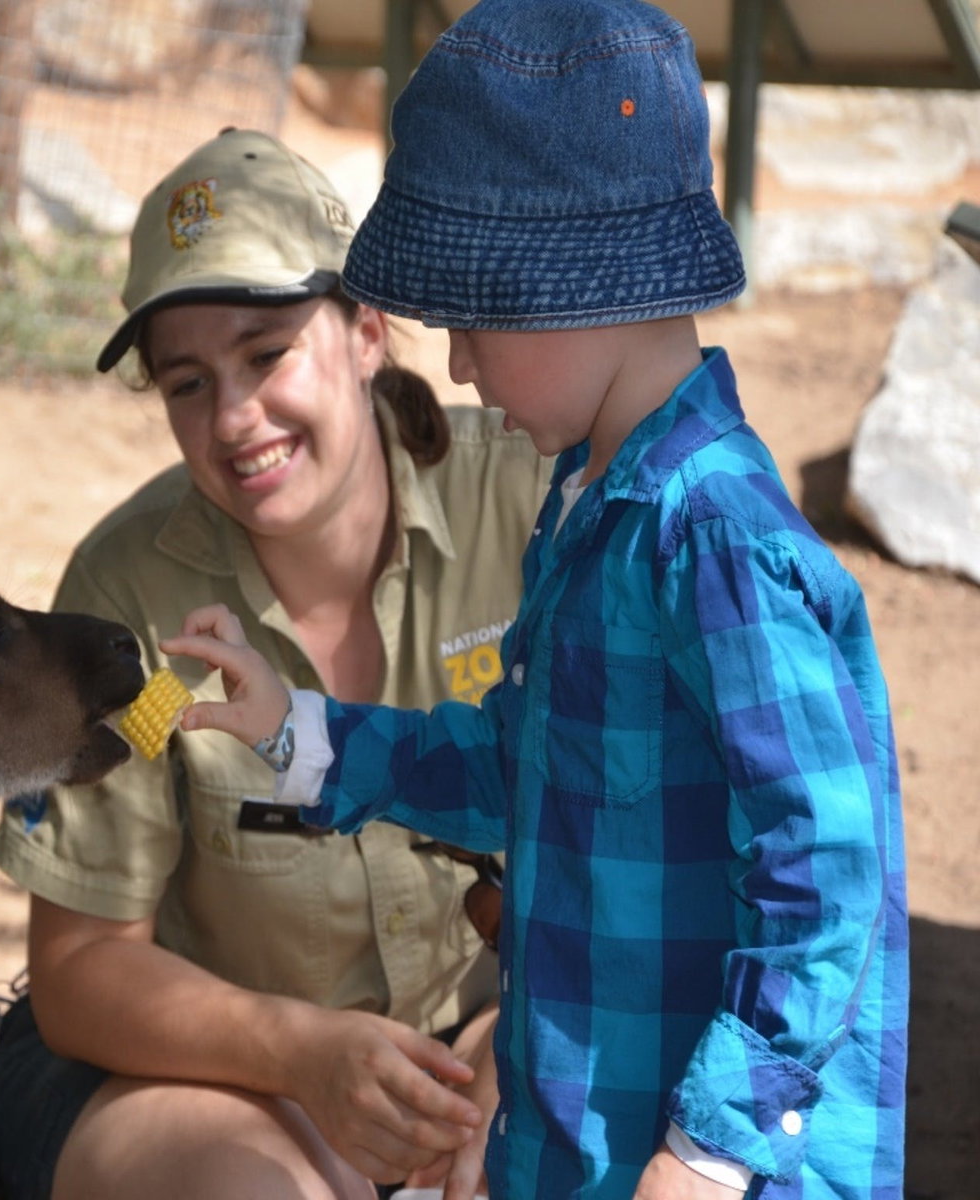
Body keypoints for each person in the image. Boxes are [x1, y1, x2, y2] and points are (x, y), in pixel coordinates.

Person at [161, 4, 909, 1199]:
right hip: (577, 1145)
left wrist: (717, 1144)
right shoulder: (582, 505)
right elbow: (517, 762)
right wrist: (293, 731)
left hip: (703, 1158)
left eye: (471, 316)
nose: (453, 364)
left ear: (574, 285)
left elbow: (823, 873)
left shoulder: (710, 541)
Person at [0, 127, 551, 1200]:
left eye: (267, 353)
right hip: (189, 1077)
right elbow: (78, 972)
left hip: (471, 1049)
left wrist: (510, 1038)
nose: (233, 419)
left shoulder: (527, 508)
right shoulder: (125, 602)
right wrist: (300, 1056)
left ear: (368, 330)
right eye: (186, 383)